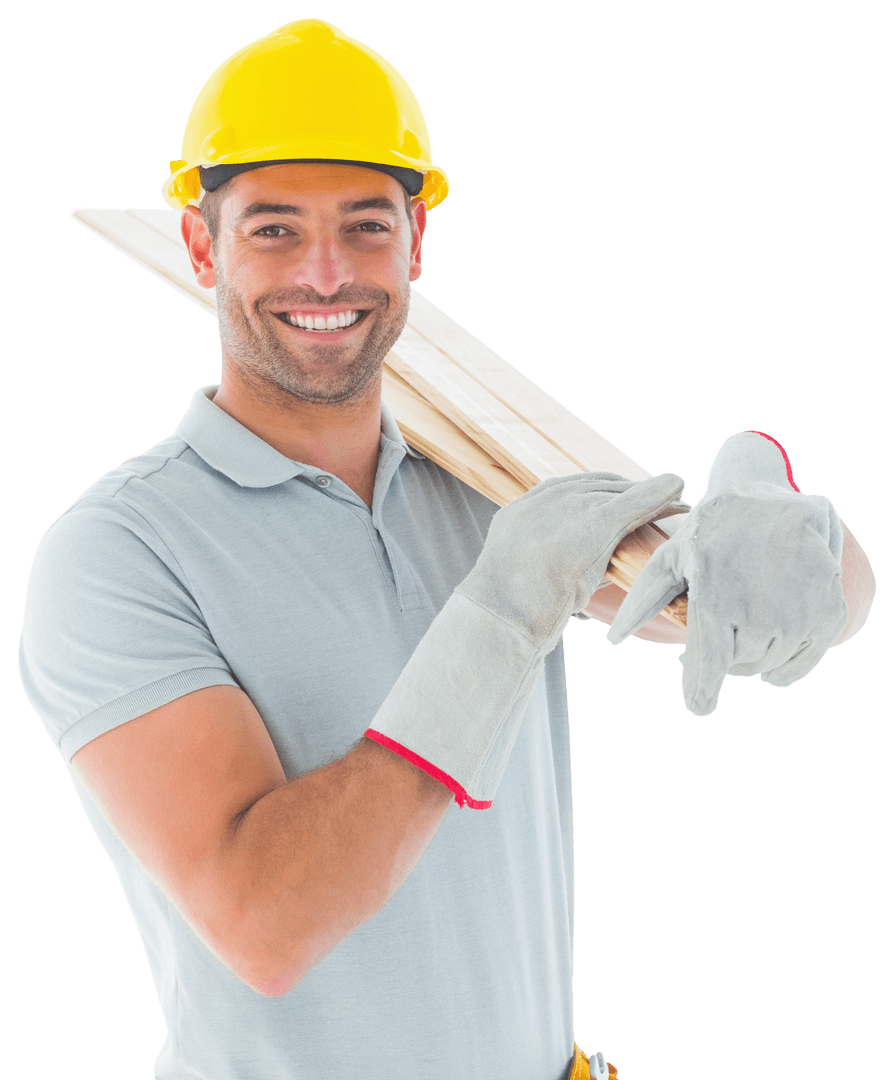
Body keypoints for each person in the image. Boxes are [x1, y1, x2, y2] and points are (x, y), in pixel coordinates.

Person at [17, 19, 875, 1080]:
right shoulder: (118, 552)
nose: (326, 274)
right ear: (201, 246)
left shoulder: (498, 489)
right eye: (275, 230)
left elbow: (773, 608)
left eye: (366, 226)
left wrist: (798, 531)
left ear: (416, 240)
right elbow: (264, 924)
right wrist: (501, 617)